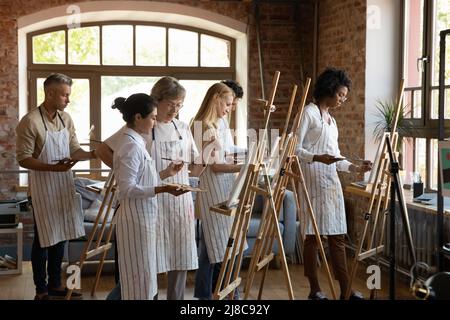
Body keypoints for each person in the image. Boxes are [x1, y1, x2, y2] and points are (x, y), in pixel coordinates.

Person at [15, 73, 97, 300]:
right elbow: (23, 158)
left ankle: (56, 284)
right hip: (42, 189)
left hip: (63, 186)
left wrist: (93, 153)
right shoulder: (30, 121)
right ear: (49, 93)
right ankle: (40, 289)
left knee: (63, 236)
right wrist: (52, 168)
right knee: (44, 241)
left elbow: (74, 151)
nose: (68, 100)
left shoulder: (66, 119)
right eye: (64, 95)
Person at [295, 67, 372, 300]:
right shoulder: (308, 113)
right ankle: (314, 289)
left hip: (330, 182)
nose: (342, 100)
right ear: (328, 90)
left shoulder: (332, 121)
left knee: (337, 235)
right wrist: (317, 158)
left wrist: (355, 168)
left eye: (344, 96)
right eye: (340, 95)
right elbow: (294, 149)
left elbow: (336, 157)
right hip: (311, 180)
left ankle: (346, 290)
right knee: (312, 236)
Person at [112, 93, 187, 300]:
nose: (155, 122)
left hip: (143, 218)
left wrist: (166, 174)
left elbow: (144, 178)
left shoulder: (135, 141)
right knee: (135, 281)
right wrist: (163, 189)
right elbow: (127, 189)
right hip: (135, 221)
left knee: (140, 280)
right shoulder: (130, 145)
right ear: (138, 117)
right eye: (153, 117)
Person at [149, 76, 205, 300]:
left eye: (179, 104)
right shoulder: (146, 127)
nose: (175, 109)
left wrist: (201, 165)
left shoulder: (182, 127)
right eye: (171, 104)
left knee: (181, 253)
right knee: (153, 255)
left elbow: (195, 163)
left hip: (180, 201)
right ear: (157, 100)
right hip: (154, 198)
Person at [192, 83, 243, 300]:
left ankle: (210, 296)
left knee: (216, 247)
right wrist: (246, 166)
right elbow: (215, 165)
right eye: (228, 104)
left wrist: (251, 154)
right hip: (213, 191)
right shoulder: (203, 126)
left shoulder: (218, 123)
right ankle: (223, 295)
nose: (230, 109)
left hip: (223, 189)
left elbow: (227, 154)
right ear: (216, 99)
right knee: (219, 247)